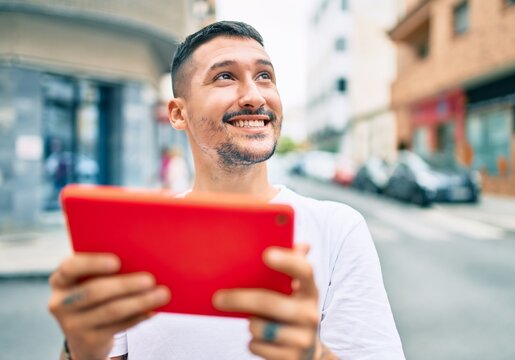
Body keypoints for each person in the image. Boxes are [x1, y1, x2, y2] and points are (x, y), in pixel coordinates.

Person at [48, 21, 405, 360]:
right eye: (225, 76)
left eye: (265, 76)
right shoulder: (132, 235)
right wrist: (78, 348)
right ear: (177, 113)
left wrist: (313, 355)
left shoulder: (337, 228)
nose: (254, 96)